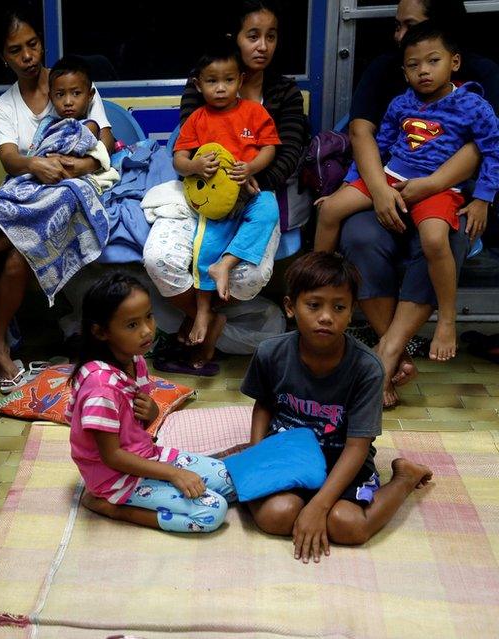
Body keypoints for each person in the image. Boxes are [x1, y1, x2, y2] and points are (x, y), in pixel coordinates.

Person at [339, 0, 499, 407]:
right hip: (389, 184)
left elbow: (482, 148)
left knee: (441, 240)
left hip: (447, 193)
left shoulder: (480, 77)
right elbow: (364, 134)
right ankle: (392, 349)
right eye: (396, 26)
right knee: (358, 234)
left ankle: (388, 353)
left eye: (408, 25)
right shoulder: (387, 69)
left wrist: (452, 190)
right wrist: (378, 191)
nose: (398, 35)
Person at [144, 0, 306, 371]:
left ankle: (200, 320)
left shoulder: (282, 94)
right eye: (253, 36)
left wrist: (251, 178)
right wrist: (199, 172)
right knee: (165, 257)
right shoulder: (203, 85)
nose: (263, 46)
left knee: (245, 272)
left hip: (253, 190)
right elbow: (188, 148)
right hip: (205, 191)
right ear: (236, 38)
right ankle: (204, 317)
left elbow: (286, 149)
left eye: (271, 36)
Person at [240, 252, 432, 563]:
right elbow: (264, 405)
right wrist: (255, 457)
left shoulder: (368, 368)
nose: (326, 316)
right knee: (276, 516)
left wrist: (319, 507)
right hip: (289, 455)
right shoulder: (270, 353)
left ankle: (405, 478)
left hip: (342, 459)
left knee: (348, 526)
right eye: (314, 305)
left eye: (339, 307)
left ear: (351, 311)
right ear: (290, 307)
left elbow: (358, 446)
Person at [0, 51, 119, 391]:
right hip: (35, 182)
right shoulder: (13, 108)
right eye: (61, 95)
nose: (68, 100)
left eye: (75, 94)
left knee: (23, 248)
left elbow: (100, 149)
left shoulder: (83, 114)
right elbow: (19, 159)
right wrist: (38, 164)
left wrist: (77, 165)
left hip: (69, 189)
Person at [66, 273, 236, 533]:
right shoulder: (100, 388)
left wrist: (152, 411)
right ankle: (109, 507)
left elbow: (136, 423)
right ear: (101, 332)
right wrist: (173, 473)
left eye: (149, 316)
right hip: (115, 475)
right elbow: (111, 456)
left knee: (229, 478)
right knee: (212, 512)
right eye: (132, 325)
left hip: (145, 456)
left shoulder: (135, 361)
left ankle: (163, 485)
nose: (147, 330)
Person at [169, 44, 280, 359]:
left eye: (228, 80)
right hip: (214, 199)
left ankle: (226, 265)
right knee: (205, 246)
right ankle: (202, 310)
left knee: (269, 210)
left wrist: (252, 168)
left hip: (248, 190)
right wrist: (194, 167)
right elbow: (179, 159)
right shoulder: (197, 119)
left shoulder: (255, 113)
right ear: (198, 84)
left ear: (240, 80)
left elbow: (269, 148)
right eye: (212, 81)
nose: (220, 88)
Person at [0, 11, 114, 181]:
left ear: (41, 43)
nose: (27, 56)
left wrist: (85, 166)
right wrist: (34, 164)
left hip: (83, 178)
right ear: (2, 56)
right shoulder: (2, 107)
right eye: (15, 50)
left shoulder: (78, 85)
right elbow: (9, 159)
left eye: (33, 44)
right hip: (34, 182)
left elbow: (106, 138)